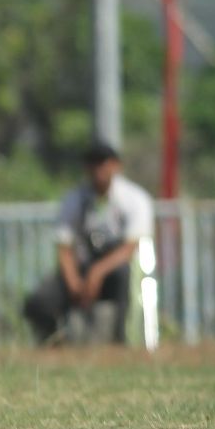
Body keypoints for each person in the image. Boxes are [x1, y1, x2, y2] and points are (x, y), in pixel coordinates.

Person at [23, 141, 154, 345]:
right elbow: (64, 246)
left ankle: (121, 341)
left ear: (116, 165)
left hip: (118, 269)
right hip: (82, 267)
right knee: (40, 302)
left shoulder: (134, 199)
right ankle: (54, 344)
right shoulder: (74, 199)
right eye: (92, 163)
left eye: (102, 162)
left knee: (123, 278)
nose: (97, 169)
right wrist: (73, 281)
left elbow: (130, 247)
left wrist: (97, 272)